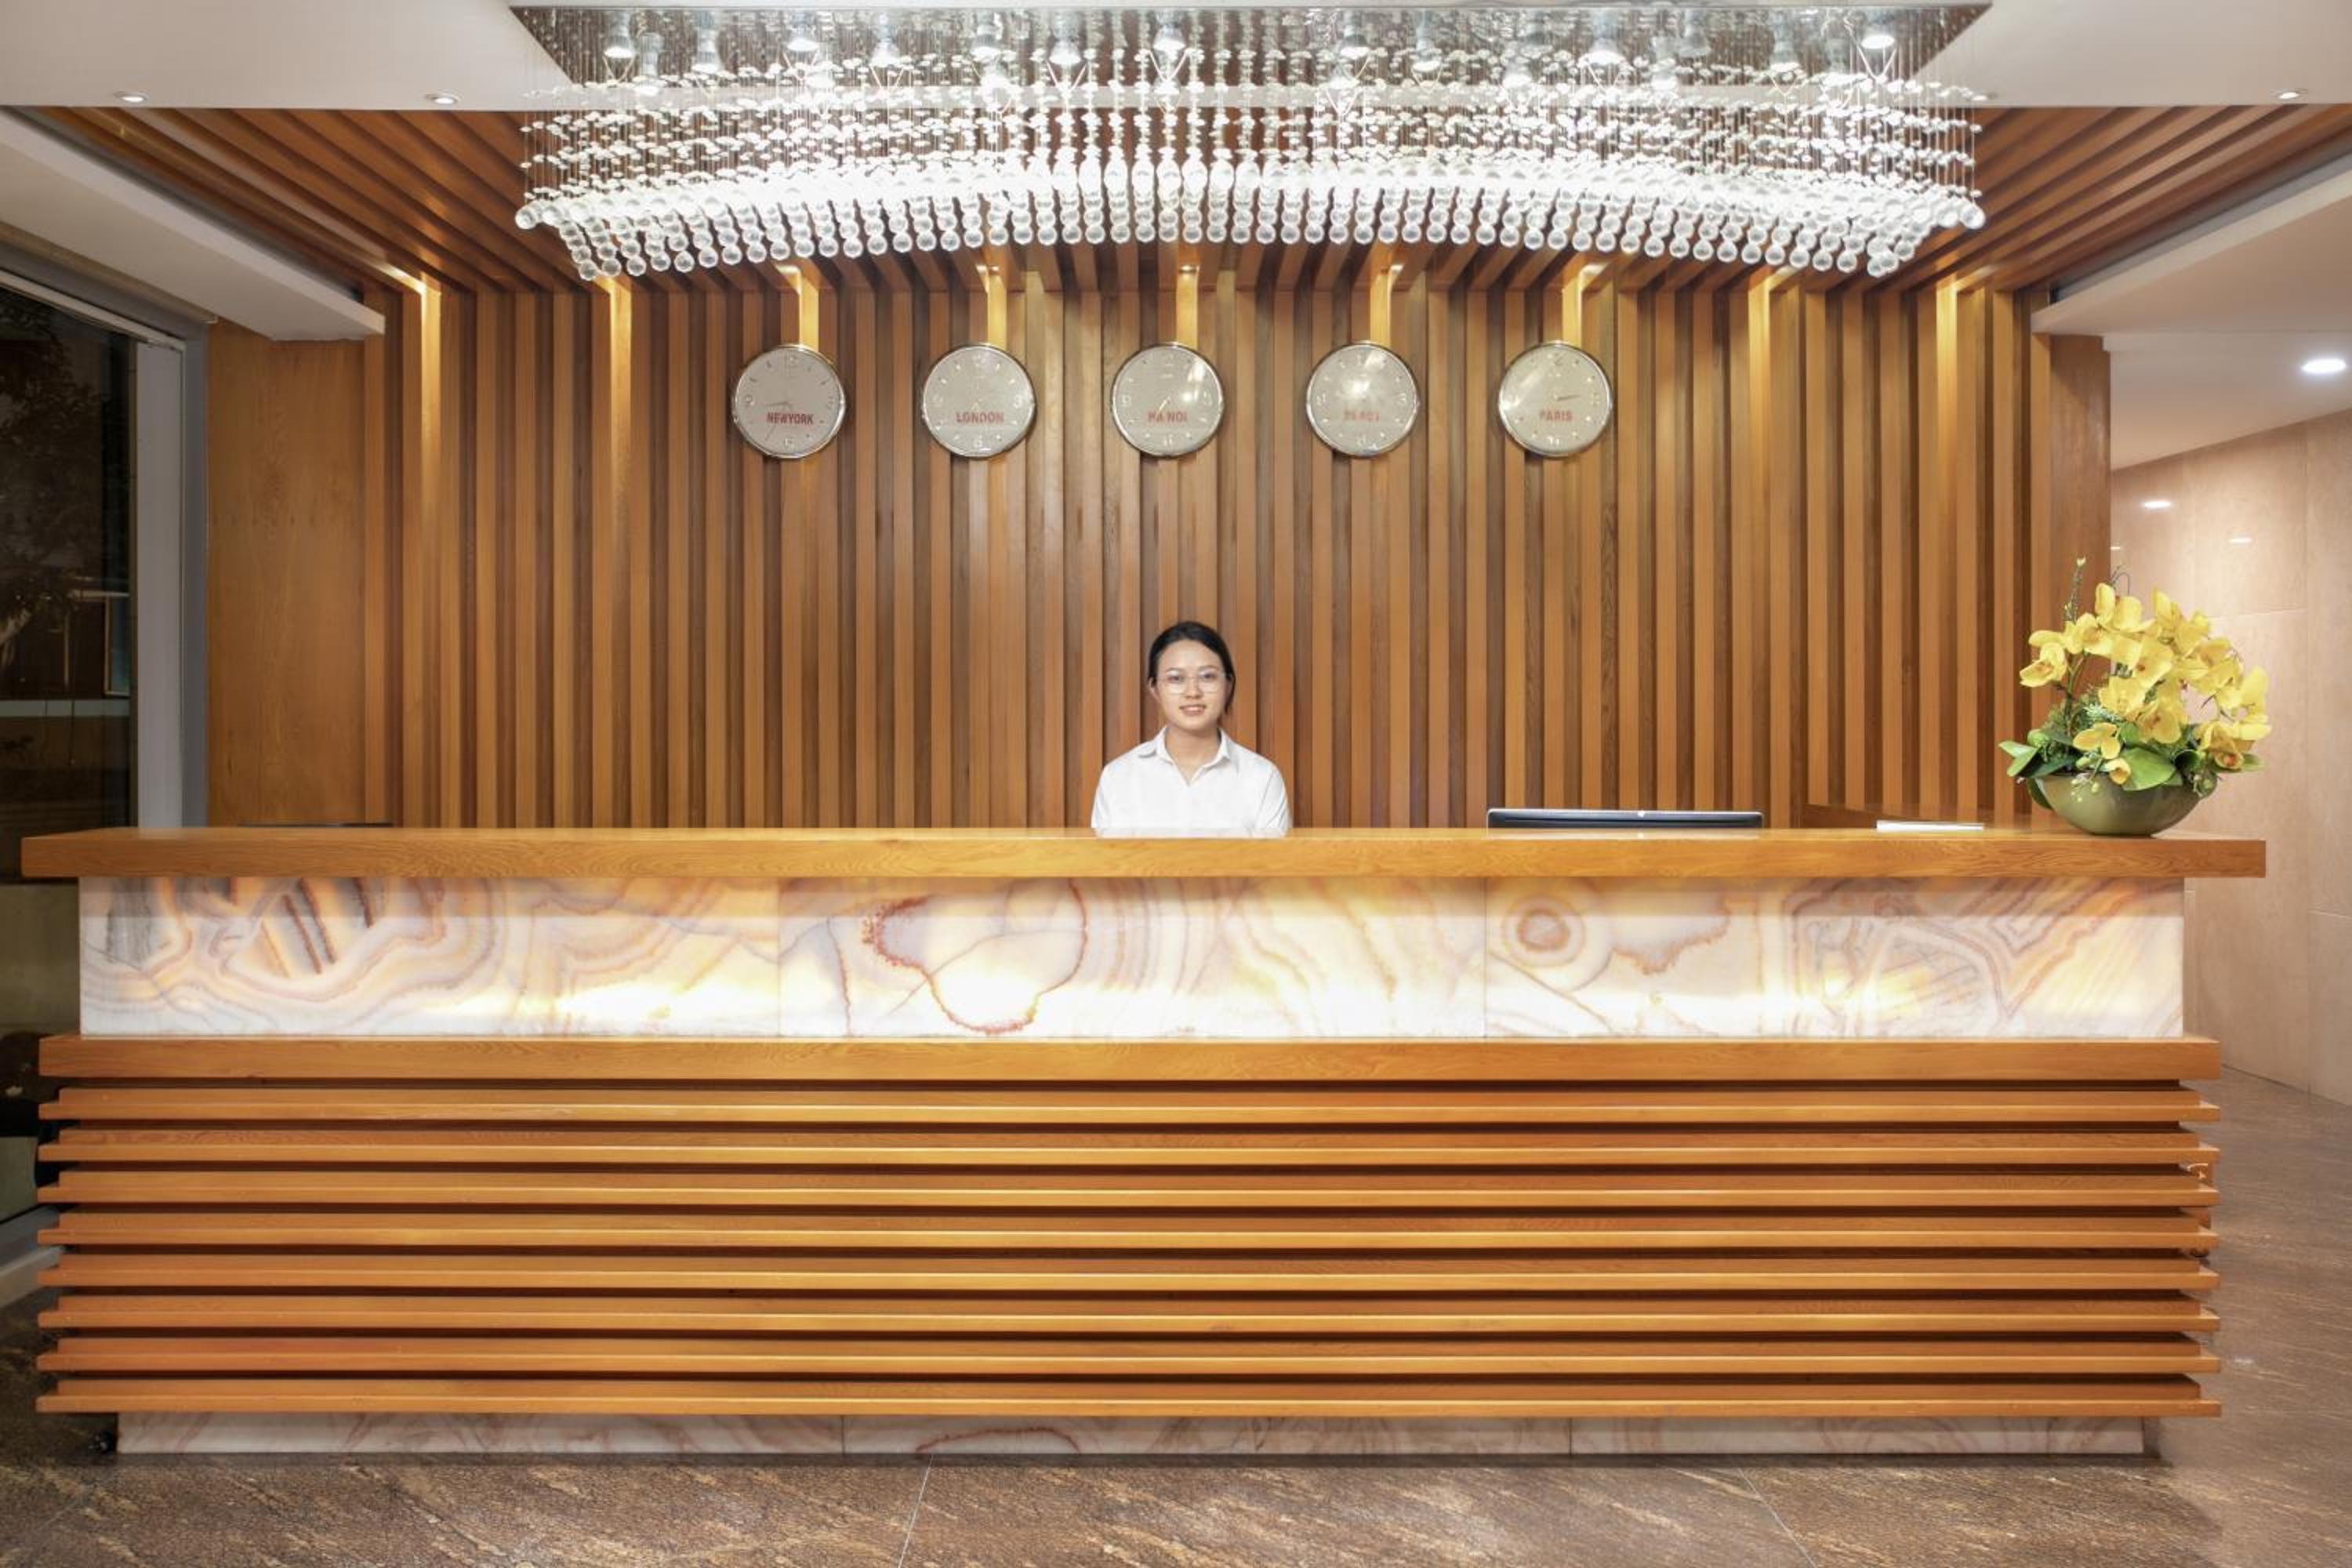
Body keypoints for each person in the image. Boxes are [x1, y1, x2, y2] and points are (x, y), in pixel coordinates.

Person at [1090, 620, 1291, 837]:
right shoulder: (1118, 777)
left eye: (1207, 677)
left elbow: (1276, 860)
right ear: (1155, 689)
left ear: (1228, 685)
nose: (1193, 692)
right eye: (1176, 678)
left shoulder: (1262, 777)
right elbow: (1103, 859)